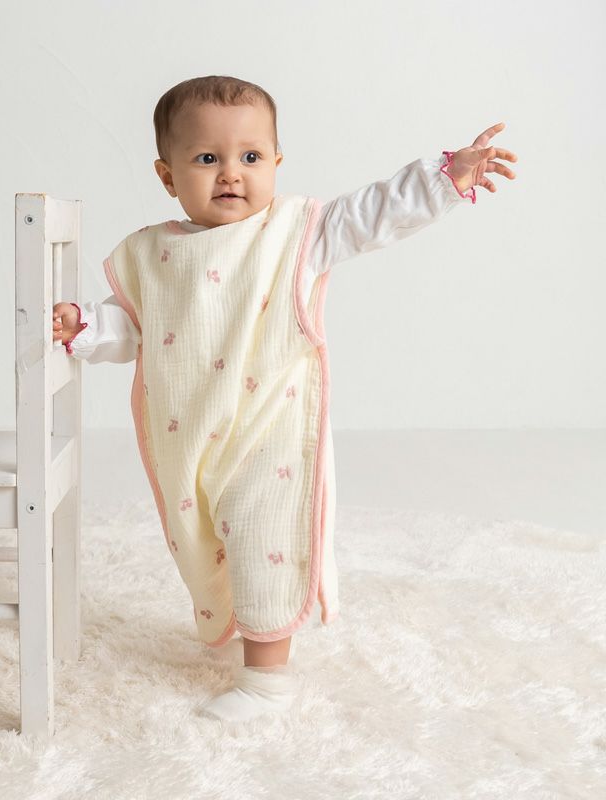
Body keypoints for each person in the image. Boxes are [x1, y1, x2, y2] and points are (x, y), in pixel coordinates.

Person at [51, 75, 517, 723]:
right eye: (206, 158)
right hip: (194, 442)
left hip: (271, 440)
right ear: (167, 175)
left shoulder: (294, 234)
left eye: (250, 156)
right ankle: (240, 626)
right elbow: (131, 329)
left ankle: (266, 681)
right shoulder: (152, 255)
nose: (230, 173)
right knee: (207, 545)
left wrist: (442, 179)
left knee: (265, 542)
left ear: (275, 162)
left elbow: (372, 214)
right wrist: (83, 328)